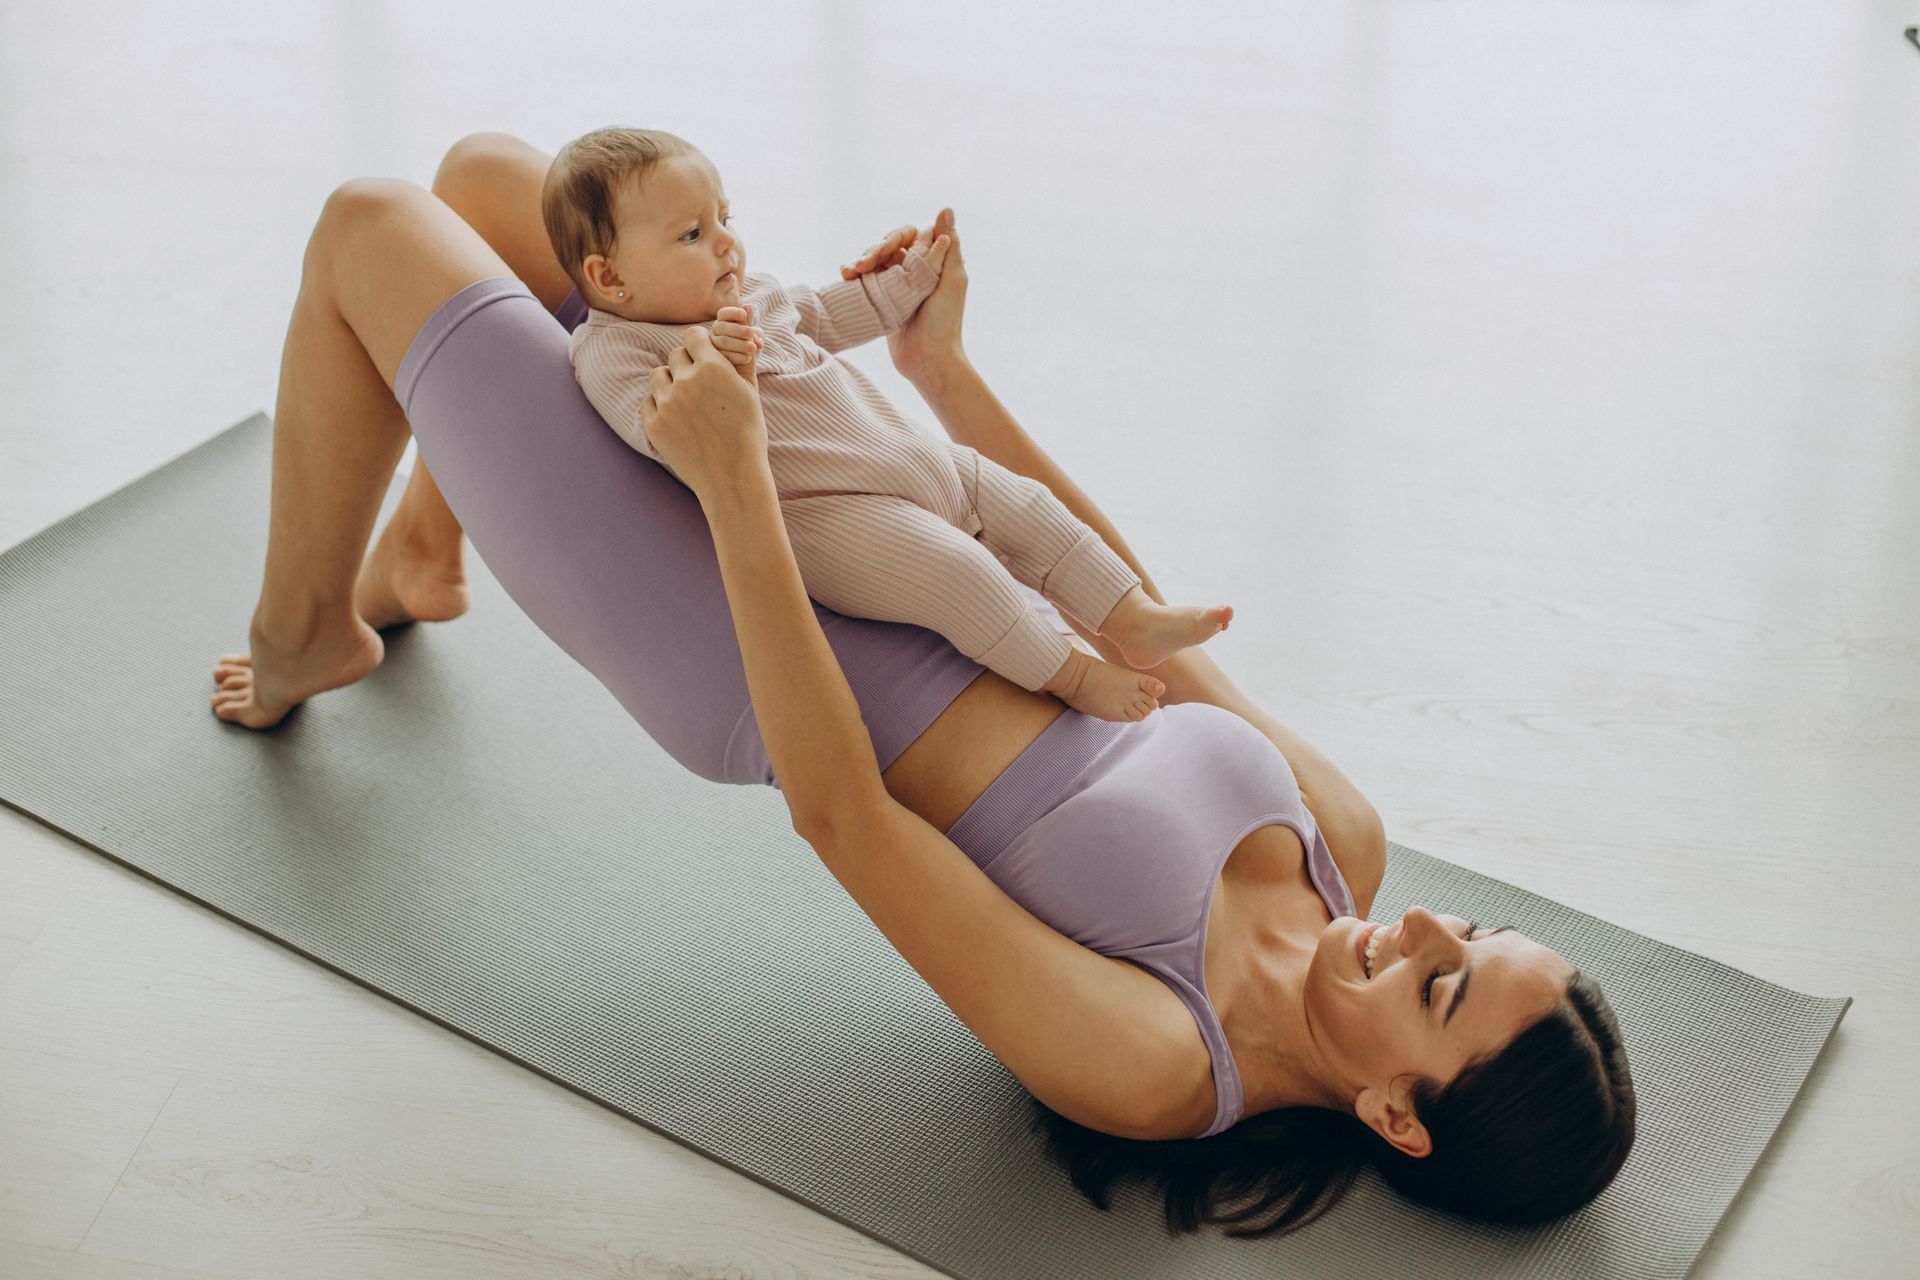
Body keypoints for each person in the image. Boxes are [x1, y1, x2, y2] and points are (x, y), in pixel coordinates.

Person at [208, 131, 1635, 1236]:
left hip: (742, 629)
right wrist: (939, 374)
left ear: (1398, 1118)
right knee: (508, 185)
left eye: (1444, 990)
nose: (1429, 924)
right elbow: (1139, 629)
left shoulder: (1153, 1061)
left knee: (375, 224)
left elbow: (847, 821)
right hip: (884, 535)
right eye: (1479, 930)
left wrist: (734, 482)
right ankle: (417, 554)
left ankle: (303, 637)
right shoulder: (1351, 848)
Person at [550, 125, 1231, 723]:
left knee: (1030, 506)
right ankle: (1074, 675)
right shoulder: (614, 351)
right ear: (610, 278)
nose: (728, 243)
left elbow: (829, 312)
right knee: (957, 575)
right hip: (828, 514)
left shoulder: (754, 297)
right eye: (694, 234)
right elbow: (655, 429)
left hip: (913, 459)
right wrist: (714, 371)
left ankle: (1129, 617)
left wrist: (907, 280)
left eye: (725, 217)